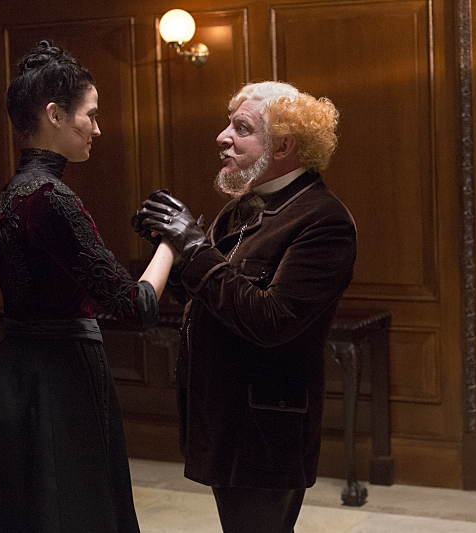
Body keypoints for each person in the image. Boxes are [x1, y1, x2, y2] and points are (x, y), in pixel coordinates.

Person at [0, 40, 176, 533]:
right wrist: (174, 243)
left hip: (15, 377)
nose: (97, 127)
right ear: (54, 114)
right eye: (89, 115)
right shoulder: (51, 198)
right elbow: (136, 307)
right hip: (56, 384)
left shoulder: (16, 191)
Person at [137, 81, 357, 533]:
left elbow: (271, 320)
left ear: (284, 145)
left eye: (241, 128)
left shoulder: (323, 219)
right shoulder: (242, 207)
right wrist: (174, 256)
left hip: (266, 427)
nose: (223, 137)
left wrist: (195, 248)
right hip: (226, 416)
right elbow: (213, 298)